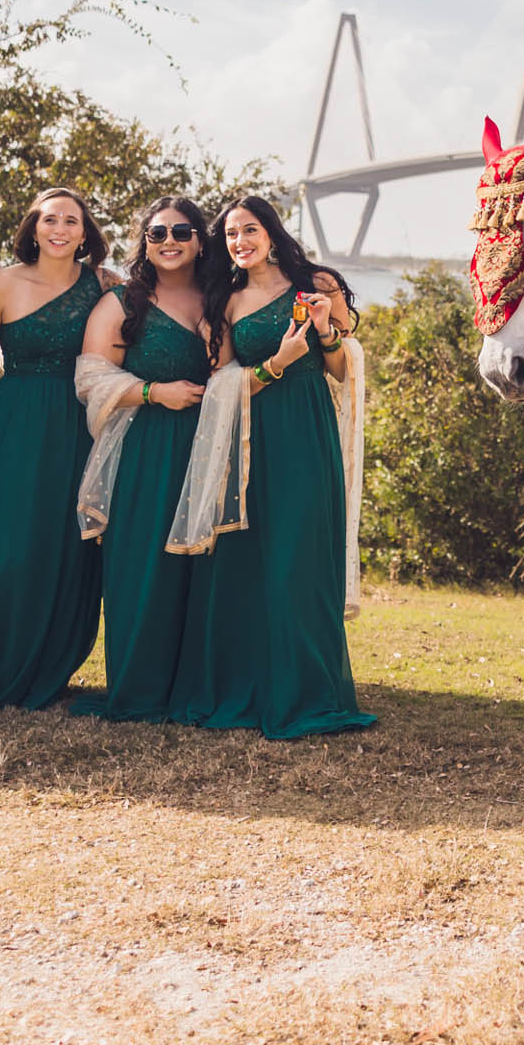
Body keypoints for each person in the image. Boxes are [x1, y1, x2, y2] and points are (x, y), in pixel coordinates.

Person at [173, 195, 375, 738]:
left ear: (271, 231)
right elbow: (221, 384)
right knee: (247, 561)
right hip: (249, 438)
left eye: (250, 230)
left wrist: (326, 330)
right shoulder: (225, 303)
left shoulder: (318, 283)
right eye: (231, 234)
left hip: (307, 434)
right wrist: (277, 364)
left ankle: (307, 692)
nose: (240, 241)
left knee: (301, 558)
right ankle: (247, 687)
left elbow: (338, 368)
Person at [0, 188, 113, 709]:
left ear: (85, 233)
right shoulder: (2, 284)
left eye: (71, 221)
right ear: (33, 227)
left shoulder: (103, 285)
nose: (59, 229)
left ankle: (51, 667)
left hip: (78, 422)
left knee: (65, 543)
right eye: (49, 219)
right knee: (8, 541)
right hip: (13, 420)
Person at [73, 197, 213, 723]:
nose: (170, 241)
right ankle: (141, 685)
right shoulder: (122, 304)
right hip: (147, 448)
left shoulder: (220, 297)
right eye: (158, 234)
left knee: (202, 566)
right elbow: (91, 379)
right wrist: (155, 393)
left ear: (201, 239)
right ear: (145, 242)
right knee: (144, 563)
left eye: (182, 231)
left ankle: (199, 683)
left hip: (209, 448)